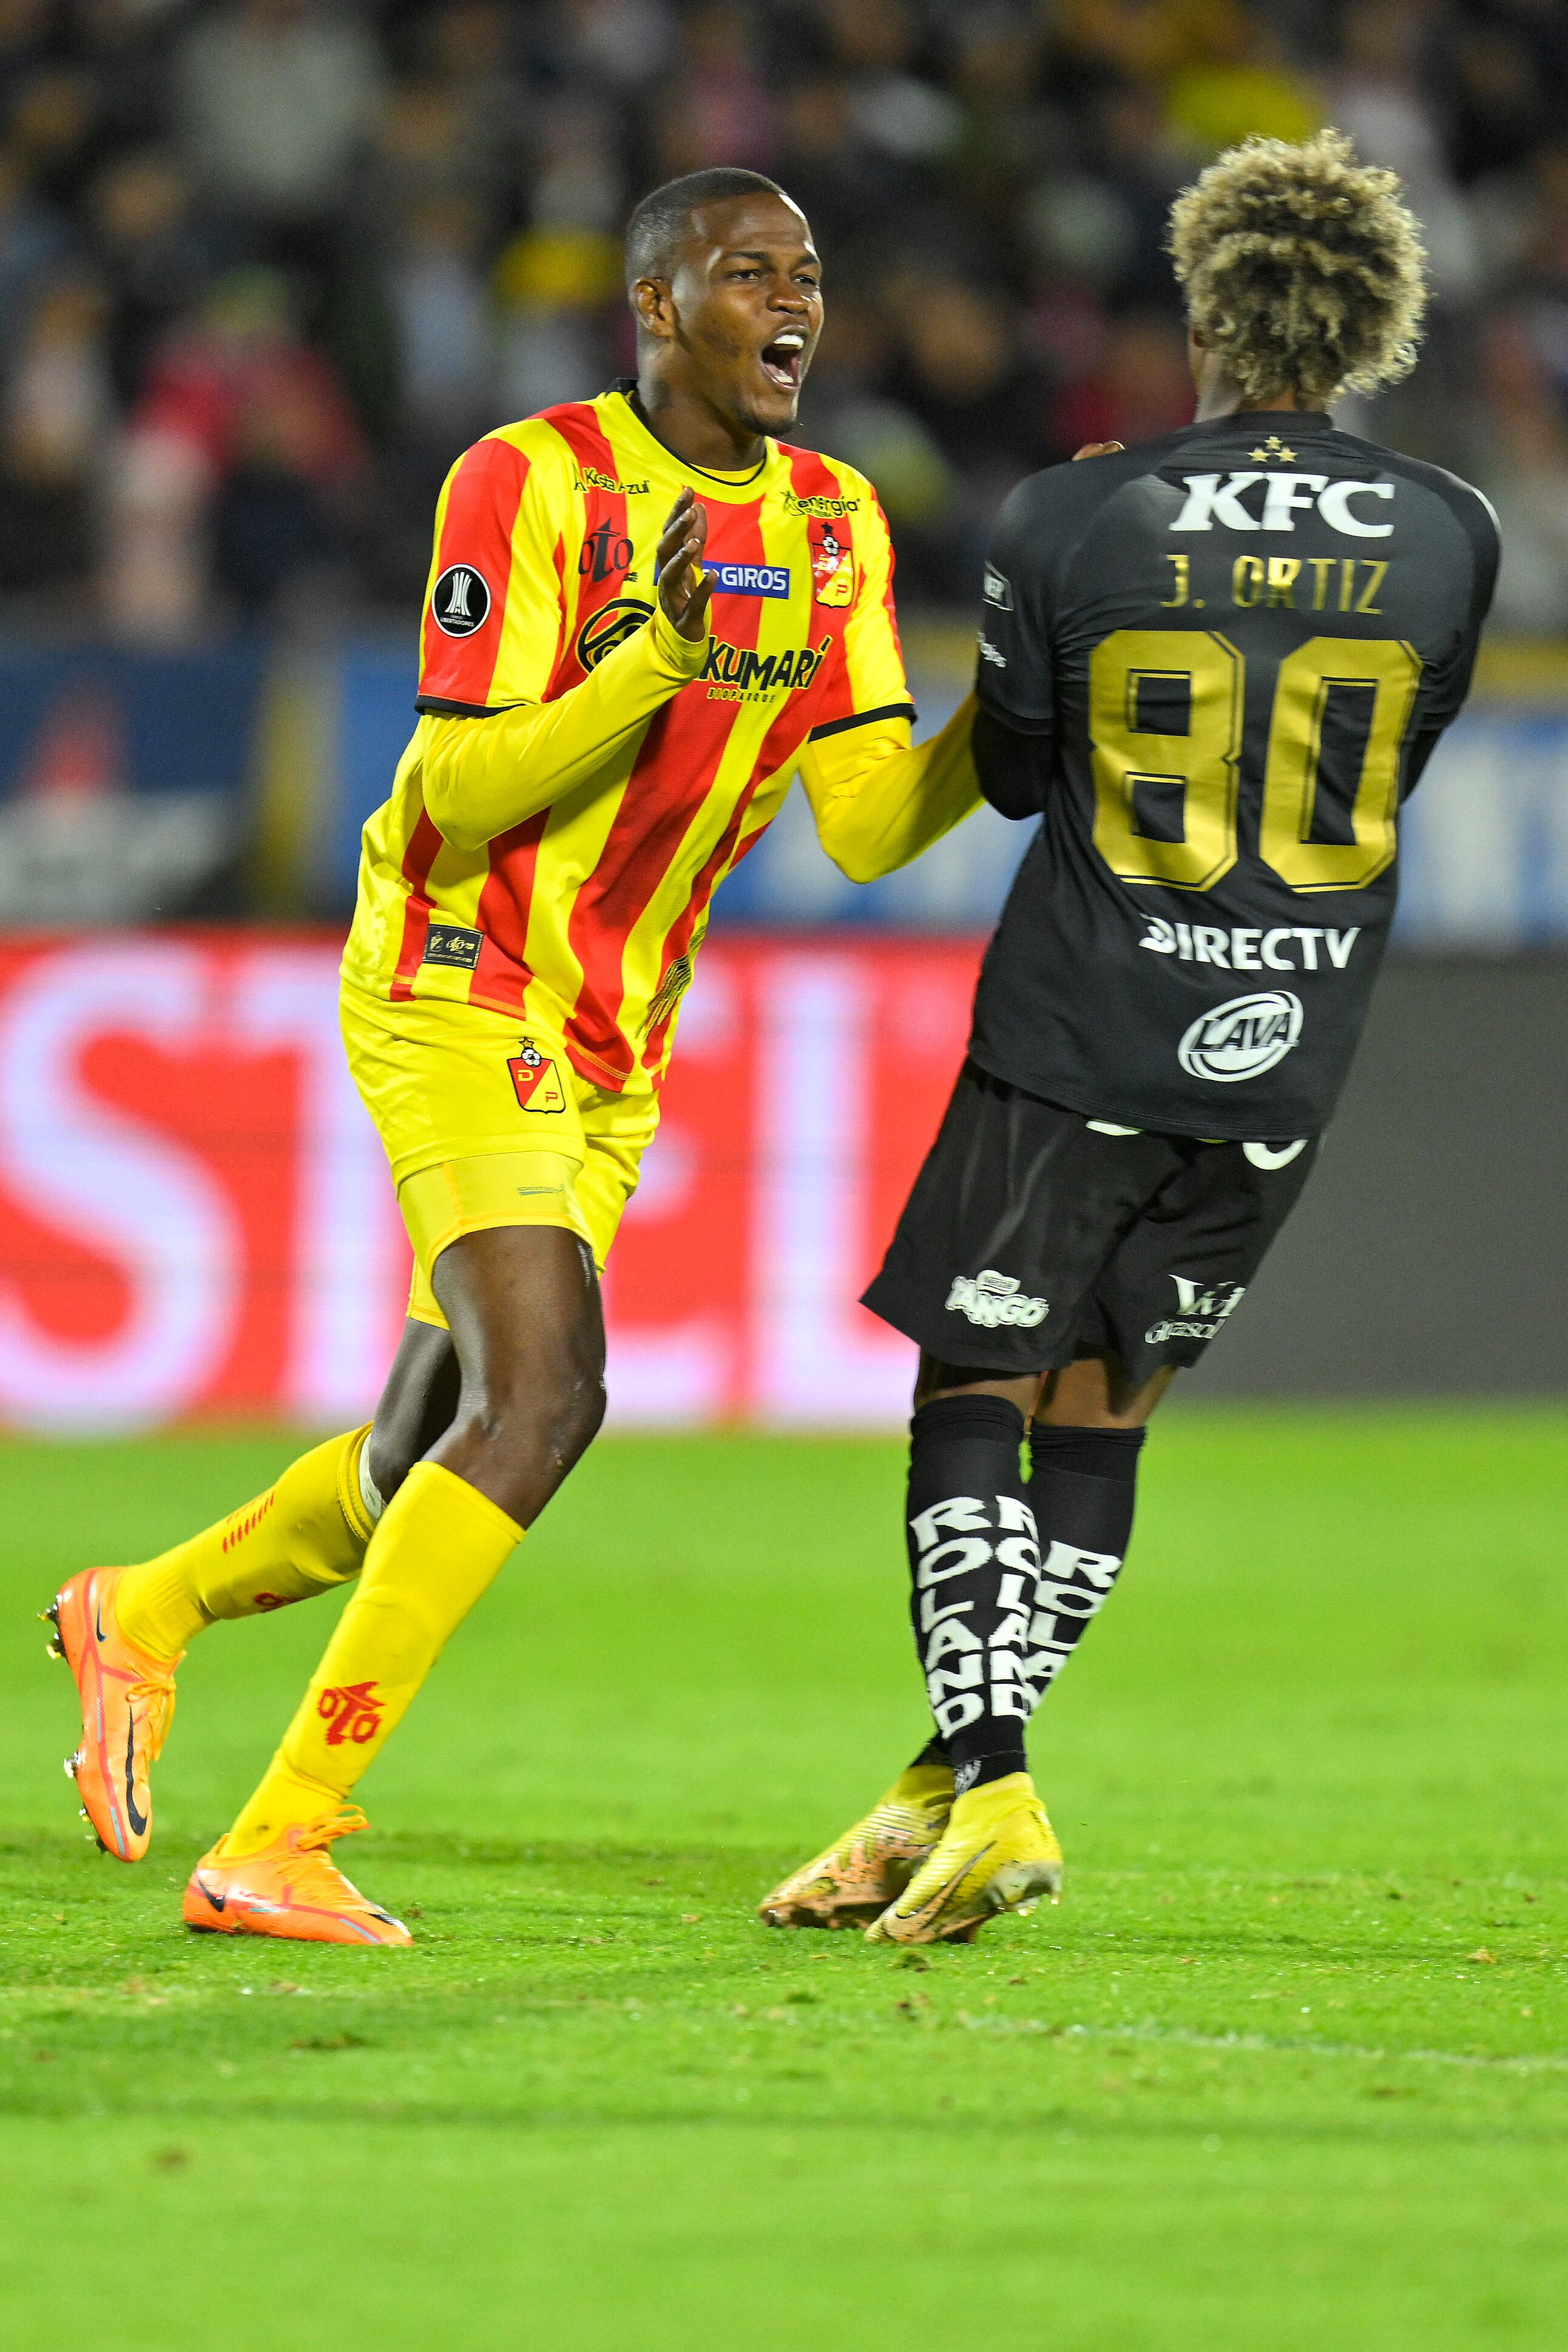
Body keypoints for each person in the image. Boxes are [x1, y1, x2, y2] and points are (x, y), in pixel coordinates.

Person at [46, 166, 981, 1945]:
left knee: (423, 1451)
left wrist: (1013, 726)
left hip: (614, 1035)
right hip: (458, 971)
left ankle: (140, 1609)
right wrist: (652, 662)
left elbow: (864, 821)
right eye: (749, 270)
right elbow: (456, 783)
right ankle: (280, 1837)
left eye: (812, 275)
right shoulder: (527, 480)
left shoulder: (838, 521)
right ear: (656, 301)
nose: (796, 302)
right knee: (546, 1394)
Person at [762, 129, 1500, 1947]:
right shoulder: (1455, 532)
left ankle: (995, 1778)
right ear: (1375, 325)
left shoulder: (1077, 512)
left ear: (1205, 312)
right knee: (1107, 1415)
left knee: (976, 1394)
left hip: (1087, 1023)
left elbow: (1013, 774)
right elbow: (1393, 758)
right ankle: (942, 1783)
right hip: (1288, 1045)